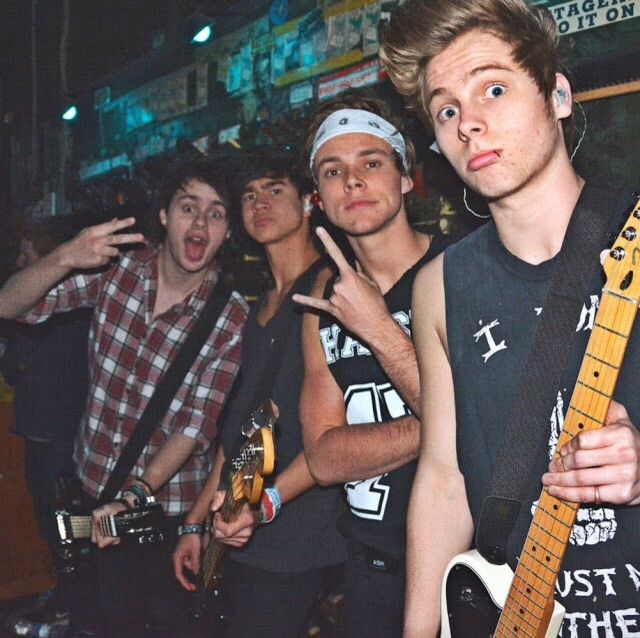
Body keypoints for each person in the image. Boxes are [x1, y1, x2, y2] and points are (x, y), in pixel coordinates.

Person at [379, 1, 640, 636]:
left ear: (557, 95)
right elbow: (444, 475)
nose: (469, 123)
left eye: (493, 89)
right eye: (446, 110)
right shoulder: (441, 285)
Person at [0, 158, 248, 638]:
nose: (200, 223)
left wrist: (134, 494)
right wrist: (66, 255)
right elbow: (11, 305)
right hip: (90, 487)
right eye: (188, 207)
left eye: (216, 214)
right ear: (163, 216)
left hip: (163, 510)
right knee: (99, 617)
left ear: (228, 232)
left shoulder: (229, 316)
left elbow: (196, 425)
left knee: (157, 622)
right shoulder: (120, 272)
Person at [295, 91, 453, 638]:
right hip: (369, 569)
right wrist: (439, 424)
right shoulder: (321, 300)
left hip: (468, 569)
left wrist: (379, 329)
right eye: (333, 171)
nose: (353, 181)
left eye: (372, 162)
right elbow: (325, 459)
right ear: (317, 197)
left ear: (407, 176)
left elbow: (496, 430)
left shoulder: (465, 269)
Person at [172, 153, 346, 638]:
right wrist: (195, 520)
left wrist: (262, 503)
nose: (259, 203)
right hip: (242, 525)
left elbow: (336, 433)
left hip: (300, 535)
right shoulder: (262, 306)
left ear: (310, 202)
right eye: (248, 196)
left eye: (273, 190)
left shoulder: (328, 288)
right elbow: (241, 426)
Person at [1, 225, 92, 637]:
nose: (19, 264)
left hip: (58, 439)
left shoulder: (58, 310)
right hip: (50, 435)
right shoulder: (69, 310)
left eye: (26, 255)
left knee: (65, 529)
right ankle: (66, 599)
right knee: (61, 529)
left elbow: (15, 369)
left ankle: (72, 606)